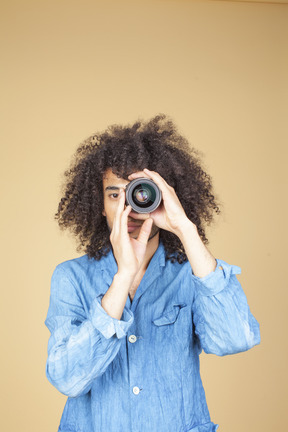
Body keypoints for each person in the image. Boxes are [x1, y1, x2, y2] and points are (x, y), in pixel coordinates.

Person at [45, 114, 260, 432]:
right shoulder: (70, 278)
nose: (128, 207)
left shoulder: (192, 274)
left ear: (166, 194)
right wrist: (123, 277)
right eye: (115, 194)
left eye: (141, 191)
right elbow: (68, 378)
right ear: (100, 204)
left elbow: (234, 339)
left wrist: (185, 229)